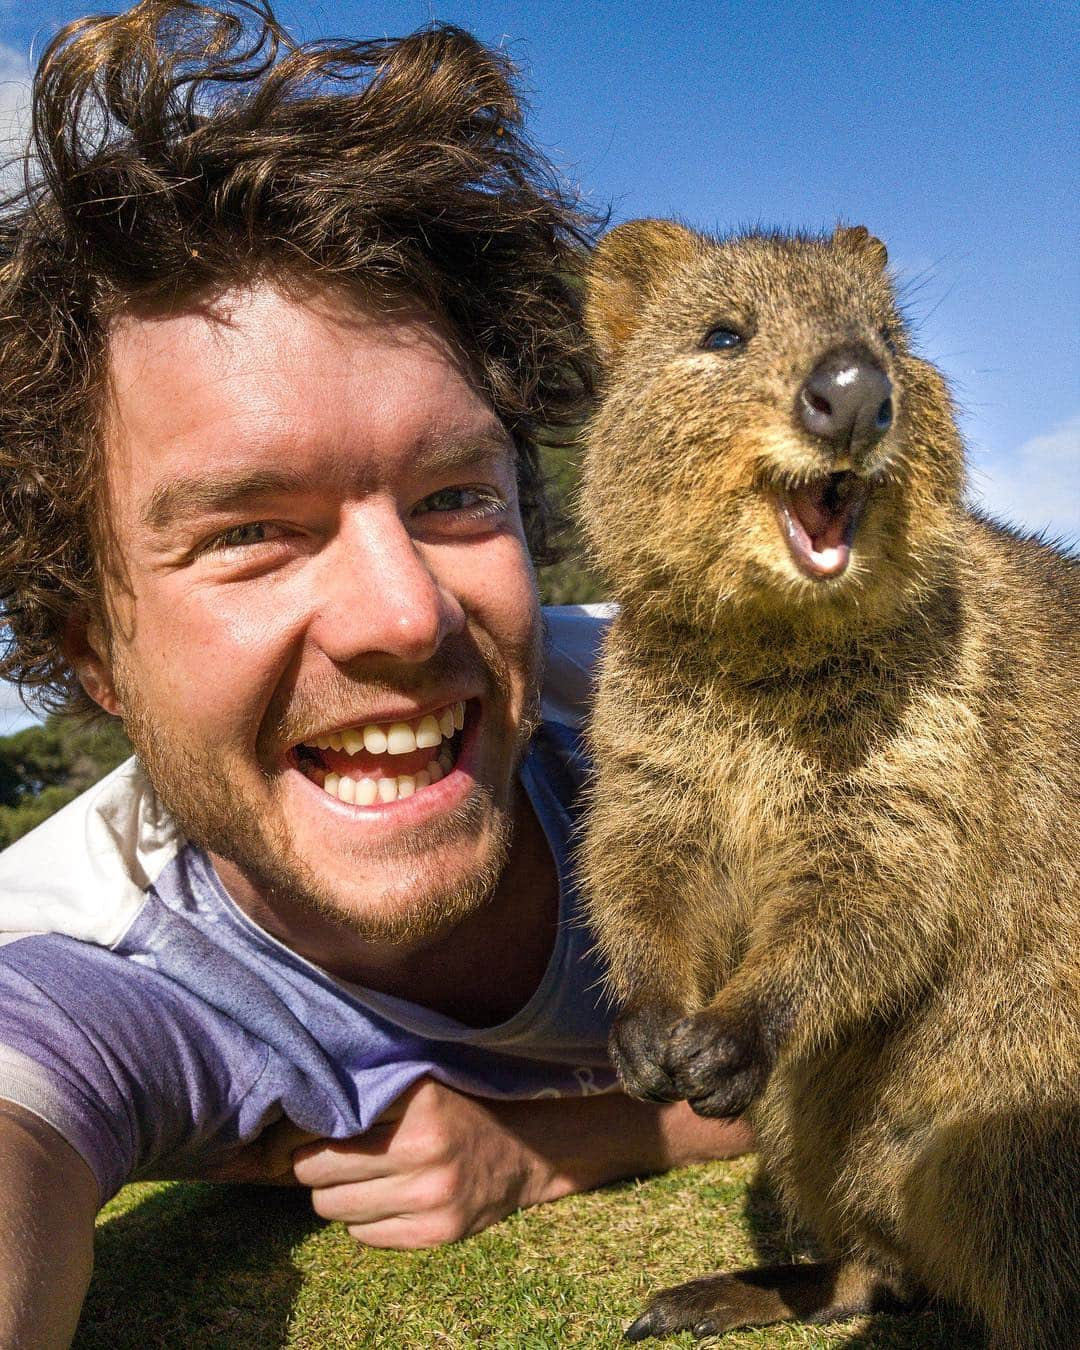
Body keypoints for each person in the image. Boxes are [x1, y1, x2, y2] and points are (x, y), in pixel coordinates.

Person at [0, 2, 750, 1343]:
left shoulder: (707, 716)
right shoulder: (92, 947)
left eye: (456, 496)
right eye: (248, 532)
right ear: (90, 651)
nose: (405, 615)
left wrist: (566, 1142)